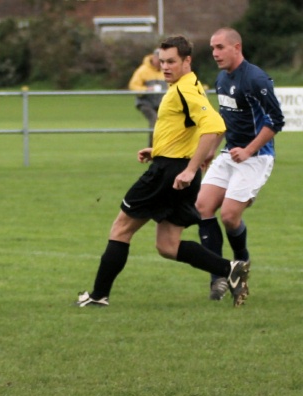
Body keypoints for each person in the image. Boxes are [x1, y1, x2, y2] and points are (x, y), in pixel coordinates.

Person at [75, 35, 250, 308]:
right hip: (174, 168)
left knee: (120, 229)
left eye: (171, 62)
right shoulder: (188, 84)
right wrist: (159, 151)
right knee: (168, 247)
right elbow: (194, 128)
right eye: (162, 61)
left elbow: (215, 126)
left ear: (187, 60)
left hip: (170, 174)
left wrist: (191, 169)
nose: (164, 67)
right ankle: (231, 269)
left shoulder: (185, 90)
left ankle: (98, 296)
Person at [198, 27, 285, 301]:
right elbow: (224, 120)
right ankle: (218, 278)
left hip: (255, 157)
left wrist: (248, 150)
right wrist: (211, 150)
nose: (215, 53)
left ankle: (240, 266)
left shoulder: (256, 79)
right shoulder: (222, 78)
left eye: (220, 47)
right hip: (229, 154)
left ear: (237, 47)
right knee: (202, 207)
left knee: (230, 217)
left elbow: (276, 121)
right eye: (213, 48)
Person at [128, 49, 167, 147]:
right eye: (159, 61)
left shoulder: (166, 70)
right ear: (154, 58)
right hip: (146, 103)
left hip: (161, 103)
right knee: (154, 121)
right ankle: (152, 148)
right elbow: (133, 86)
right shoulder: (143, 70)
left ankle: (164, 148)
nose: (160, 64)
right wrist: (146, 90)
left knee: (165, 124)